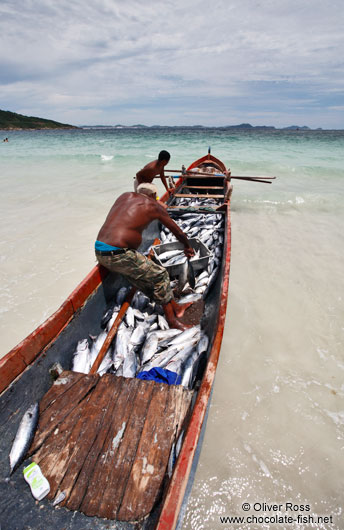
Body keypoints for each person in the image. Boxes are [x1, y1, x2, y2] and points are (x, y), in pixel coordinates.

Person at [95, 182, 195, 330]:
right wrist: (187, 246)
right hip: (119, 254)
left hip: (100, 251)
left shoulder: (124, 196)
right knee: (160, 275)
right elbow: (177, 231)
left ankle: (176, 307)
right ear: (154, 196)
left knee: (145, 280)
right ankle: (173, 321)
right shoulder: (153, 206)